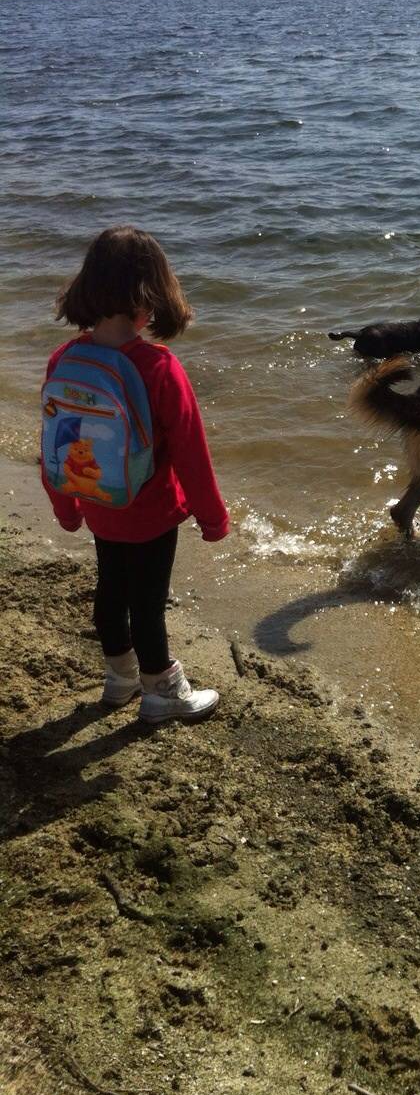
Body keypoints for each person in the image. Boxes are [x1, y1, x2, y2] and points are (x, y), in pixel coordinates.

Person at [41, 225, 230, 724]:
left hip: (97, 501)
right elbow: (192, 453)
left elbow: (56, 444)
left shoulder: (65, 359)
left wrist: (66, 507)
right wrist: (213, 518)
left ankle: (120, 678)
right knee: (148, 605)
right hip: (150, 510)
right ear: (152, 294)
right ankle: (162, 692)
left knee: (110, 591)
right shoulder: (160, 367)